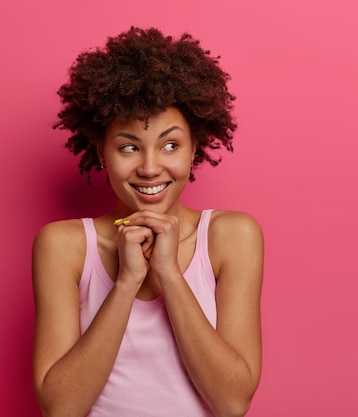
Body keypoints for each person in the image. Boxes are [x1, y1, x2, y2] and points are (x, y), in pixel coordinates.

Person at [31, 27, 263, 417]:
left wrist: (170, 274)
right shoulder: (64, 245)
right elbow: (60, 408)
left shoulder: (232, 236)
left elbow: (232, 403)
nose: (151, 167)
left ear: (195, 150)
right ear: (102, 153)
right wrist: (126, 282)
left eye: (171, 145)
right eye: (128, 147)